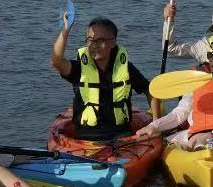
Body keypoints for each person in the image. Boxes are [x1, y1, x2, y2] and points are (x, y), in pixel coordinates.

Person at [50, 12, 148, 141]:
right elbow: (56, 61)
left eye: (99, 40)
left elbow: (150, 90)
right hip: (85, 138)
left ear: (113, 42)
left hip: (121, 136)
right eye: (90, 40)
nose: (93, 45)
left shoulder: (126, 68)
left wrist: (156, 123)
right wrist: (65, 30)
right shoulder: (79, 68)